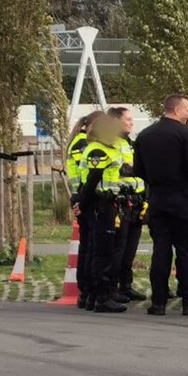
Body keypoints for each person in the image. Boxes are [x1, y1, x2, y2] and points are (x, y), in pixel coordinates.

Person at [133, 92, 188, 316]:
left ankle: (158, 302)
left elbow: (138, 170)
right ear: (176, 110)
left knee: (160, 250)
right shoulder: (185, 134)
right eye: (187, 109)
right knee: (185, 251)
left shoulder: (144, 135)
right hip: (181, 199)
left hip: (157, 199)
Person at [79, 114, 144, 313]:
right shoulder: (97, 150)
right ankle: (101, 297)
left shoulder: (110, 149)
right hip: (101, 205)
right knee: (102, 253)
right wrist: (85, 204)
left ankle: (97, 296)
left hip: (111, 204)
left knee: (107, 251)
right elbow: (91, 182)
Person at [108, 106, 147, 302]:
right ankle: (112, 287)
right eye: (128, 119)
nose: (132, 123)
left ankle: (126, 285)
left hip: (137, 200)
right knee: (119, 247)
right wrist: (131, 169)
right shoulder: (112, 143)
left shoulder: (130, 143)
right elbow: (120, 169)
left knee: (131, 247)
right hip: (121, 202)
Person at [65, 110, 102, 309]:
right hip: (85, 198)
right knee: (89, 247)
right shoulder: (82, 145)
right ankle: (86, 291)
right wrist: (79, 200)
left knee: (89, 247)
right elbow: (85, 174)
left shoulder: (83, 143)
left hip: (83, 196)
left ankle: (87, 292)